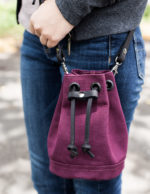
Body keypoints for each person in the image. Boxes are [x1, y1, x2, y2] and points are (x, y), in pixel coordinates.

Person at [16, 0, 148, 193]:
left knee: (93, 184)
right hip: (36, 31)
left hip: (99, 39)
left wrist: (68, 7)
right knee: (47, 181)